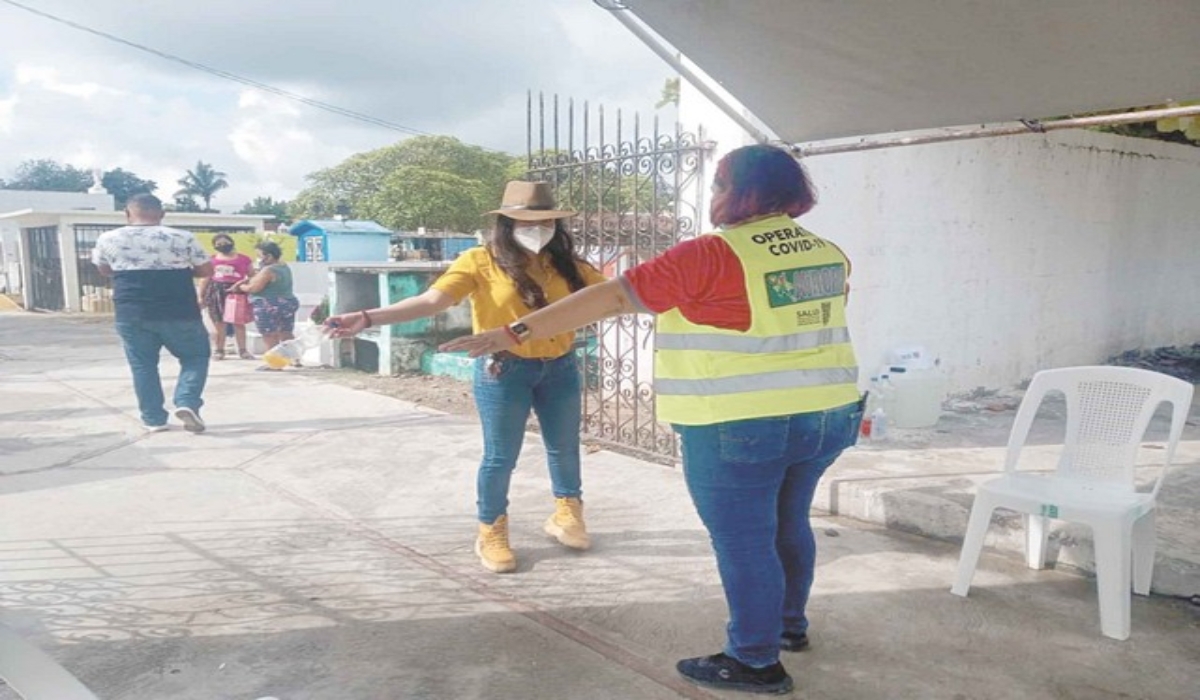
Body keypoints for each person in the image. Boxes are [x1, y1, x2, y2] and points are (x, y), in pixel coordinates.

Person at [441, 145, 862, 694]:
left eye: (718, 185)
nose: (713, 196)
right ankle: (788, 628)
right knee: (789, 524)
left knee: (744, 542)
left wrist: (515, 332)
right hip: (827, 417)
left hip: (740, 424)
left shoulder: (710, 255)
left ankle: (755, 661)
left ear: (740, 192)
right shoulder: (827, 252)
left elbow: (611, 298)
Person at [326, 181, 608, 574]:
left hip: (559, 367)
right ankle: (491, 530)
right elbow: (431, 302)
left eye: (546, 221)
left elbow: (615, 294)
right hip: (503, 370)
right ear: (505, 223)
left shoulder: (568, 265)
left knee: (564, 447)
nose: (537, 228)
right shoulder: (479, 261)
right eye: (527, 221)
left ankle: (567, 514)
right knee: (500, 457)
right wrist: (368, 317)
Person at [91, 193, 212, 434]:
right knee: (195, 357)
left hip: (131, 312)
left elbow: (104, 269)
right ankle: (187, 401)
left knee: (143, 366)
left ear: (127, 214)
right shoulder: (182, 237)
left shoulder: (108, 238)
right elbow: (206, 269)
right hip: (179, 311)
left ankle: (153, 419)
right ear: (162, 214)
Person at [230, 241, 299, 366]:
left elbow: (254, 288)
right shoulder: (283, 266)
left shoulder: (268, 270)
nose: (258, 259)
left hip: (268, 304)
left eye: (259, 255)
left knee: (269, 335)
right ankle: (294, 358)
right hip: (288, 302)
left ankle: (274, 362)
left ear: (269, 256)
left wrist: (242, 287)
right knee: (286, 332)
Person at [198, 233, 254, 360]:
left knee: (238, 322)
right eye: (219, 244)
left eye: (225, 242)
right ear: (214, 247)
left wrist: (241, 283)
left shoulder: (244, 259)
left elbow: (252, 276)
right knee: (218, 322)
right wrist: (201, 296)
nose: (223, 246)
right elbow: (204, 279)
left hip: (236, 292)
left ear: (232, 242)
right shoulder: (211, 260)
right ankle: (219, 350)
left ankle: (243, 350)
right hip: (216, 290)